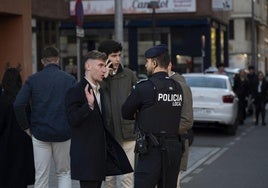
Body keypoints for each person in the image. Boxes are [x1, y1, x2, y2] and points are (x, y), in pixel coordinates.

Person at [64, 50, 133, 188]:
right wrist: (88, 106)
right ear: (88, 66)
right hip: (86, 158)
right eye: (100, 65)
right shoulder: (76, 90)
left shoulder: (100, 90)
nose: (104, 69)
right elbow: (72, 120)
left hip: (99, 157)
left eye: (104, 66)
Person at [122, 44, 184, 188]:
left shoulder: (144, 87)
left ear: (155, 63)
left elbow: (125, 112)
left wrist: (140, 112)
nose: (146, 65)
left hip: (151, 151)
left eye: (148, 62)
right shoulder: (177, 87)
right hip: (173, 149)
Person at [13, 46, 76, 188]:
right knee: (64, 173)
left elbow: (18, 104)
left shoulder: (33, 80)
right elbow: (77, 104)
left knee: (41, 175)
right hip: (63, 132)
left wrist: (26, 127)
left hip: (40, 132)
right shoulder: (69, 80)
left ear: (42, 61)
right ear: (58, 60)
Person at [98, 40, 138, 188]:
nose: (117, 59)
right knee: (109, 180)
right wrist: (104, 78)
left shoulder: (129, 75)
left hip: (128, 132)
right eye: (114, 56)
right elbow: (96, 99)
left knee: (128, 178)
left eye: (119, 55)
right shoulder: (98, 77)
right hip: (108, 135)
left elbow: (137, 99)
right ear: (104, 57)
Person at [0, 67, 35, 188]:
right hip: (22, 143)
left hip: (5, 144)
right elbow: (29, 119)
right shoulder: (23, 98)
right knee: (21, 179)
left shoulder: (2, 100)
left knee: (6, 178)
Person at [167, 62, 193, 188]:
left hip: (177, 143)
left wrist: (165, 132)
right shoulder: (155, 84)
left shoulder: (181, 86)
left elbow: (187, 120)